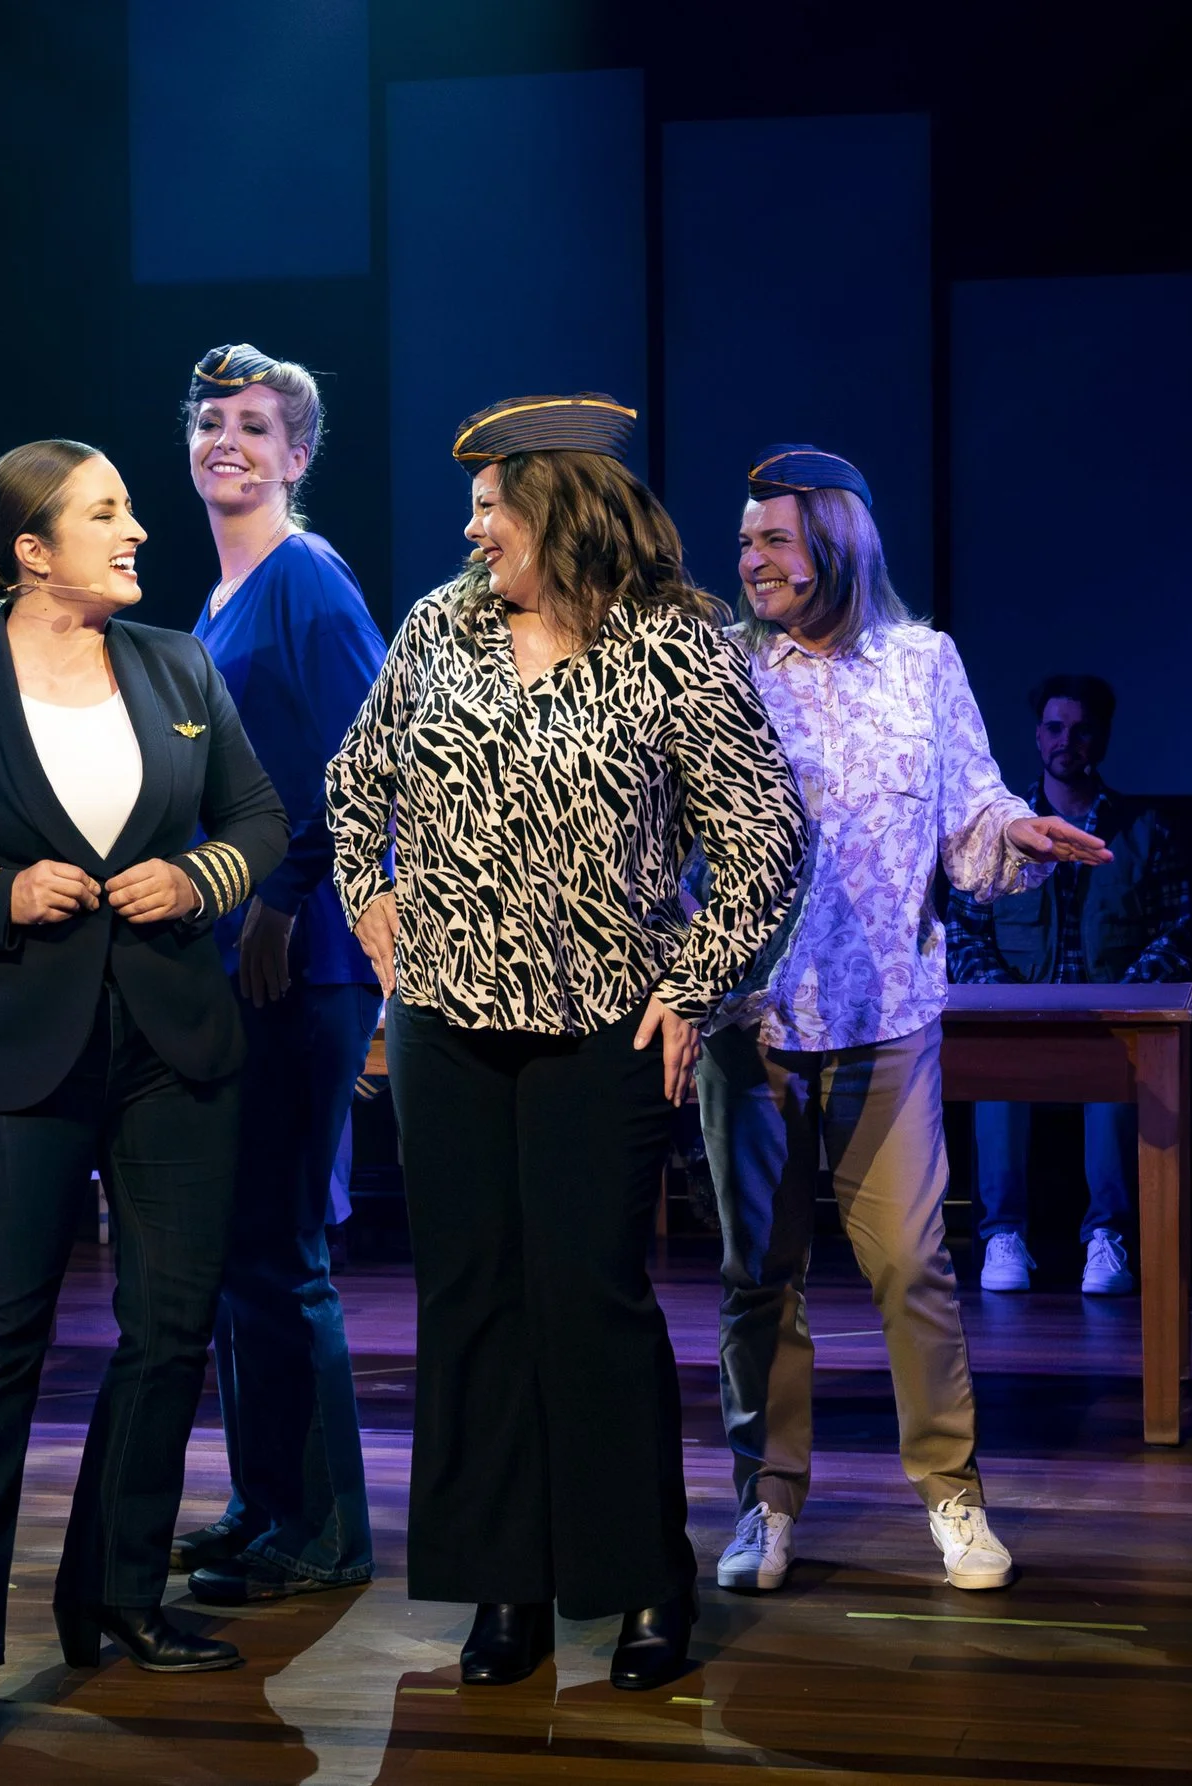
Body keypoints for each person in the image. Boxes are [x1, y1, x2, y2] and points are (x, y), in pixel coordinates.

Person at [327, 395, 807, 1693]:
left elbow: (767, 839)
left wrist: (697, 982)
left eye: (493, 504)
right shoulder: (442, 627)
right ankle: (507, 1583)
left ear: (561, 507)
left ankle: (644, 1578)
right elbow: (352, 781)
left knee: (587, 1297)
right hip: (447, 1019)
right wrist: (365, 890)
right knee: (472, 1302)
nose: (470, 527)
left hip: (606, 1023)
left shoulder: (677, 643)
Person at [0, 439, 289, 1748]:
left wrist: (199, 879)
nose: (136, 529)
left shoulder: (179, 667)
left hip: (174, 1050)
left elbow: (257, 819)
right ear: (32, 550)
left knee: (168, 1327)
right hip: (21, 1049)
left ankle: (120, 1594)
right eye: (105, 514)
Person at [700, 445, 1109, 1601]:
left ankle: (950, 1496)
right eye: (745, 540)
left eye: (774, 538)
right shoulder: (729, 671)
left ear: (835, 542)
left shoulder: (923, 664)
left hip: (886, 1013)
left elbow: (971, 812)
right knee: (756, 1277)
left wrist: (1015, 835)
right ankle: (766, 1504)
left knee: (913, 1270)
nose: (751, 558)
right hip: (754, 1016)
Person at [171, 344, 388, 1605]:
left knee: (285, 1248)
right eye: (210, 423)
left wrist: (295, 888)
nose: (227, 442)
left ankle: (324, 1532)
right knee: (242, 1244)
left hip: (300, 964)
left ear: (297, 456)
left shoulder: (305, 576)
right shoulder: (216, 600)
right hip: (231, 960)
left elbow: (375, 755)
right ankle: (265, 1504)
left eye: (254, 426)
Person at [950, 673, 1192, 1295]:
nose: (1068, 741)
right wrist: (1000, 999)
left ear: (1102, 737)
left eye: (1082, 729)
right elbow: (966, 929)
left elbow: (1179, 927)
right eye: (1055, 728)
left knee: (1117, 1076)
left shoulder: (1143, 829)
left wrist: (1130, 996)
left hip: (1109, 1015)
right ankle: (1002, 1235)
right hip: (1019, 1014)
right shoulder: (1006, 831)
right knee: (994, 1078)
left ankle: (1105, 1238)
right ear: (1037, 736)